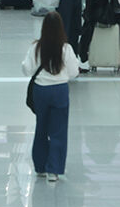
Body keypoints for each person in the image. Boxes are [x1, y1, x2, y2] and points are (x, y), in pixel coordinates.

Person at [22, 12, 81, 183]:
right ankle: (53, 170)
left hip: (40, 91)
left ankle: (40, 166)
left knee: (41, 127)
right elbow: (73, 72)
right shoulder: (66, 48)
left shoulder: (36, 47)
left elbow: (26, 69)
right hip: (60, 90)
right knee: (58, 131)